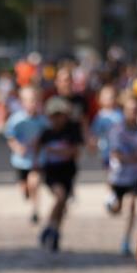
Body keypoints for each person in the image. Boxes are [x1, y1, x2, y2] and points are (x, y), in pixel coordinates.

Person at [37, 96, 83, 252]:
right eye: (53, 116)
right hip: (52, 172)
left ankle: (56, 231)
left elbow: (75, 152)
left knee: (63, 205)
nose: (57, 119)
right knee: (60, 196)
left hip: (68, 172)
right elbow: (38, 149)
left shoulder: (72, 130)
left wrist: (58, 150)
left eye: (59, 115)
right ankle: (49, 226)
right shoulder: (47, 133)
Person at [107, 92, 137, 256]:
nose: (133, 112)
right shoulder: (117, 130)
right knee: (116, 209)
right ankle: (111, 202)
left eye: (136, 109)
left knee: (131, 205)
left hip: (134, 176)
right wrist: (132, 158)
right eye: (130, 109)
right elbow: (116, 154)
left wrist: (132, 158)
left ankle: (126, 239)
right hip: (118, 176)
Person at [4, 85, 48, 224]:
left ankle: (35, 211)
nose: (31, 104)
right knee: (25, 187)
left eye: (34, 100)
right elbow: (10, 137)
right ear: (22, 102)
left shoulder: (43, 121)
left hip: (37, 159)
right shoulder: (16, 119)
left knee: (34, 183)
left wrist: (40, 143)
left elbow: (49, 137)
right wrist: (17, 147)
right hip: (20, 160)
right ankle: (27, 194)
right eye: (28, 100)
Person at [88, 84, 123, 173]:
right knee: (110, 172)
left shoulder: (120, 114)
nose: (109, 100)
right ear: (100, 100)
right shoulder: (100, 116)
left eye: (111, 97)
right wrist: (93, 143)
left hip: (120, 149)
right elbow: (94, 132)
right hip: (106, 150)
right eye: (106, 97)